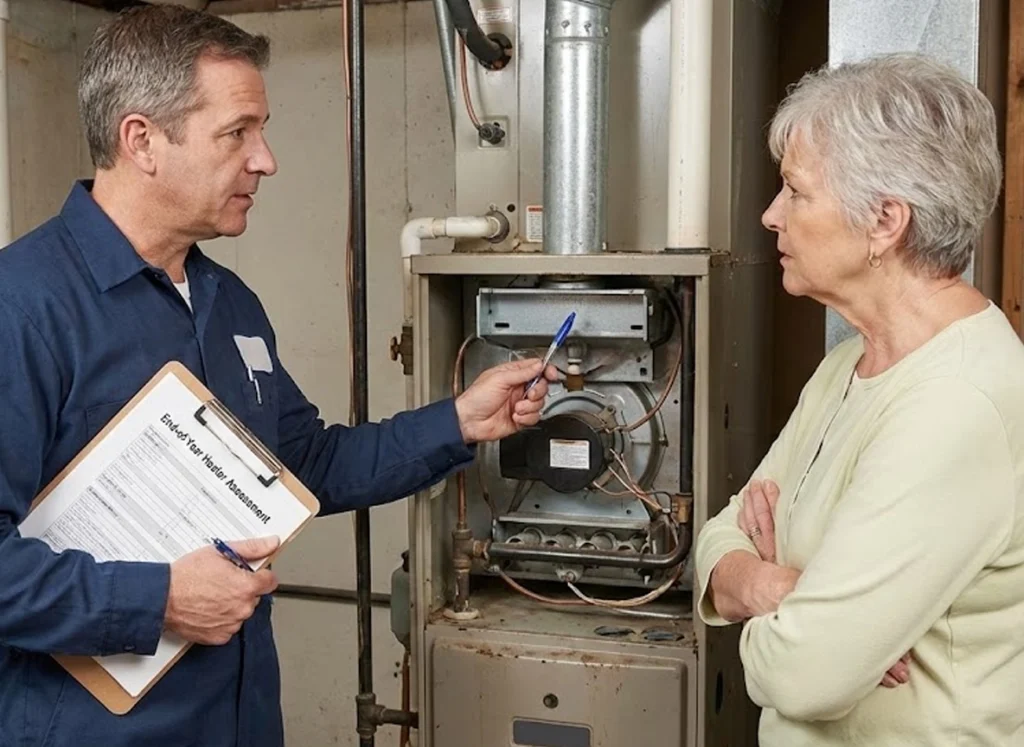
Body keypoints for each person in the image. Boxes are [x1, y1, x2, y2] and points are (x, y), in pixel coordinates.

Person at [0, 6, 555, 747]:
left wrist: (459, 420)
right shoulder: (22, 307)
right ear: (141, 141)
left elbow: (304, 466)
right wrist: (158, 599)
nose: (266, 159)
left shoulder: (231, 306)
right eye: (238, 132)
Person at [695, 53, 1024, 746]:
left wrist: (782, 618)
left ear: (885, 221)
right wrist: (772, 590)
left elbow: (804, 674)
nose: (769, 215)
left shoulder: (954, 400)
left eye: (795, 191)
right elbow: (720, 536)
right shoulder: (851, 363)